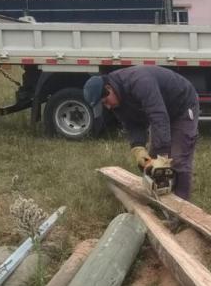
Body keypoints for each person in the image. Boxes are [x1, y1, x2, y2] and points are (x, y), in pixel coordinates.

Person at [83, 66, 199, 199]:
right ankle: (160, 200)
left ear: (109, 89)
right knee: (152, 160)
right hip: (161, 110)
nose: (107, 106)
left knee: (178, 160)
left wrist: (163, 155)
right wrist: (138, 147)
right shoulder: (116, 99)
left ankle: (181, 210)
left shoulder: (139, 82)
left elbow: (158, 116)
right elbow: (133, 124)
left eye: (105, 102)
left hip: (182, 106)